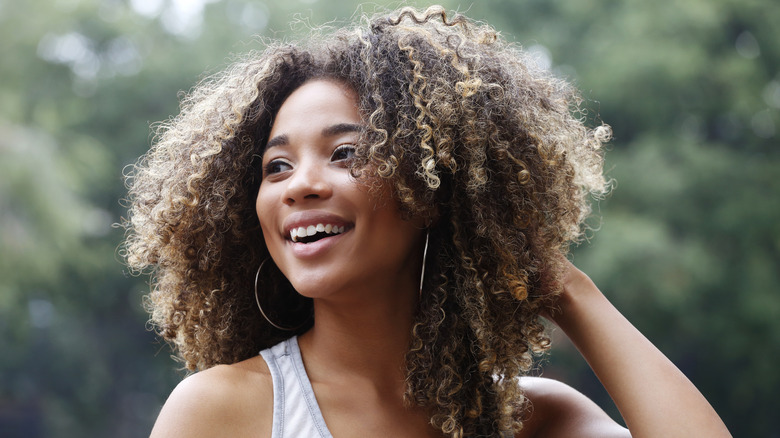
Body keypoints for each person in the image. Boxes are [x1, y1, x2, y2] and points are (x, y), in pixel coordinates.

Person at [123, 6, 731, 437]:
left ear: (431, 186)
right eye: (276, 166)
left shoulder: (526, 419)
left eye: (346, 154)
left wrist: (570, 292)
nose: (301, 184)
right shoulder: (222, 412)